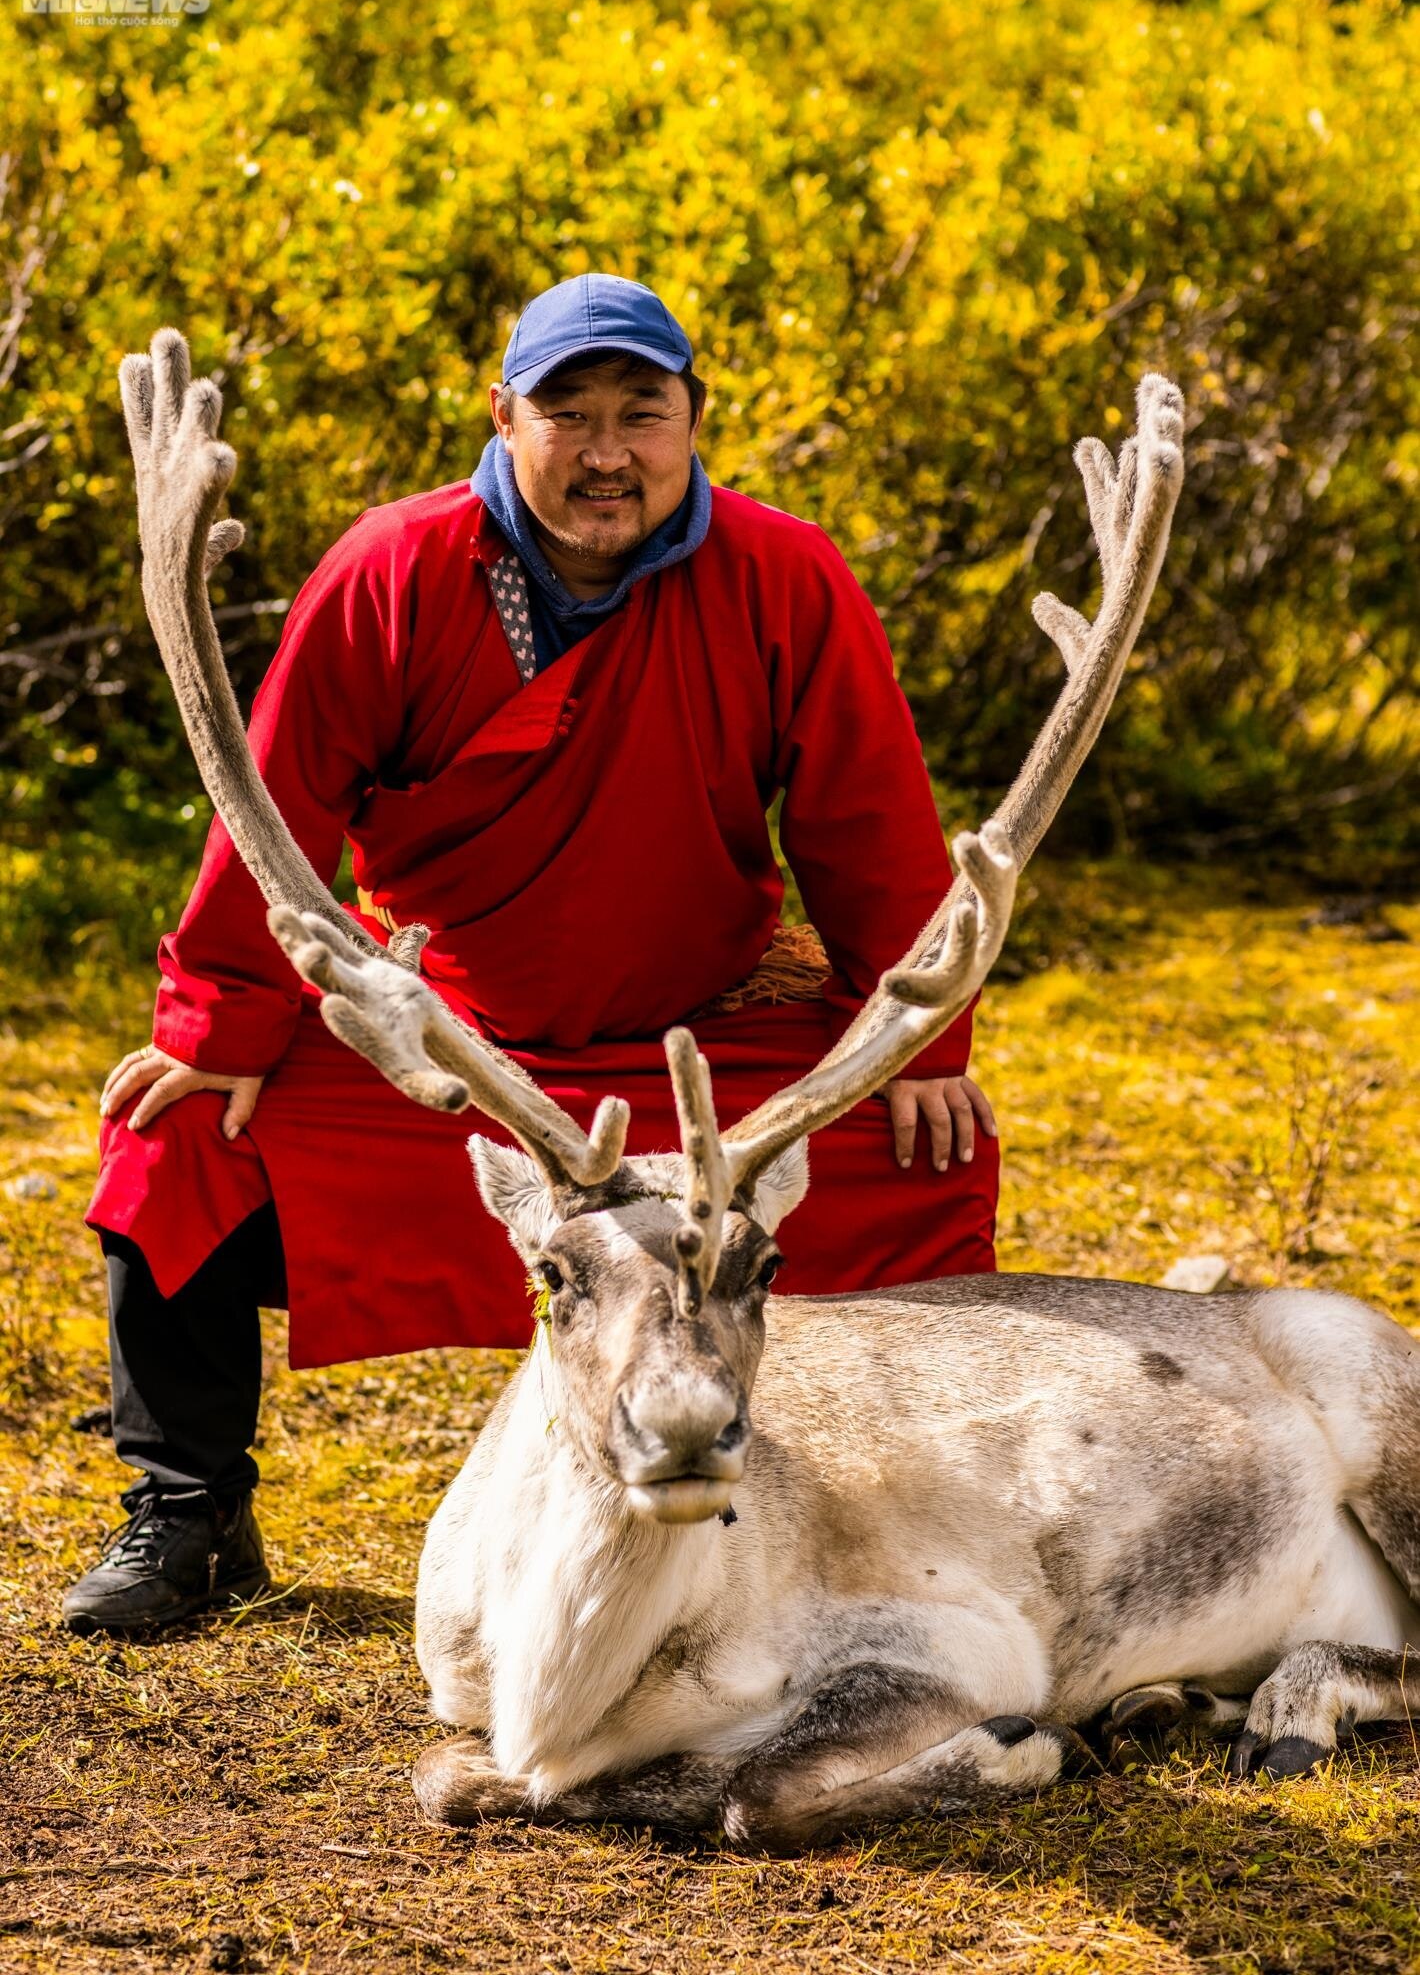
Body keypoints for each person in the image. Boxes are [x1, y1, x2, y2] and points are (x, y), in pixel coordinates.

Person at [72, 274, 1001, 1633]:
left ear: (695, 423)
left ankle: (899, 1501)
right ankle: (188, 1514)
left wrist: (924, 1044)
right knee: (177, 1148)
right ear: (504, 415)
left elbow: (873, 829)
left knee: (928, 1146)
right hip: (459, 1056)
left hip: (708, 1041)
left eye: (644, 412)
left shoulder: (783, 574)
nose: (608, 451)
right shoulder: (390, 571)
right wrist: (219, 1034)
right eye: (569, 412)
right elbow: (270, 816)